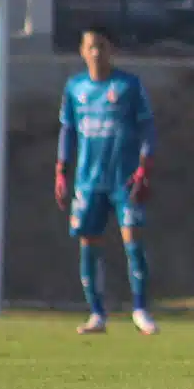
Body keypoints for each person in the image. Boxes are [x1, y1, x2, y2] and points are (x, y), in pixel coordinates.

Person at [56, 26, 159, 336]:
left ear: (111, 49)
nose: (97, 52)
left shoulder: (128, 85)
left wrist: (145, 167)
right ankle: (97, 314)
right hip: (88, 181)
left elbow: (148, 128)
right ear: (82, 51)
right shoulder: (74, 88)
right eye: (91, 46)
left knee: (133, 241)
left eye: (102, 45)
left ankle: (140, 310)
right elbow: (67, 131)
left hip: (124, 180)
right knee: (89, 245)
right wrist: (61, 170)